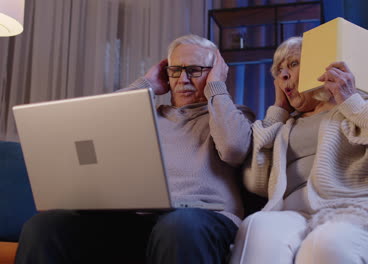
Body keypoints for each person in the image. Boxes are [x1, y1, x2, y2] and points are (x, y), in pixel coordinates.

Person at [15, 34, 255, 264]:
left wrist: (216, 88)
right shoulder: (147, 116)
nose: (183, 80)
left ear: (215, 73)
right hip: (138, 221)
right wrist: (146, 84)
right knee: (44, 227)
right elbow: (97, 123)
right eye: (175, 71)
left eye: (194, 71)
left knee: (179, 224)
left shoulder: (232, 114)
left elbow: (234, 149)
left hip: (201, 218)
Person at [230, 36, 368, 264]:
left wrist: (352, 102)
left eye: (292, 64)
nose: (283, 76)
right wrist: (277, 111)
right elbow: (256, 182)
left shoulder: (365, 100)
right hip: (296, 215)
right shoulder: (285, 125)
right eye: (277, 71)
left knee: (325, 244)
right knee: (257, 226)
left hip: (362, 209)